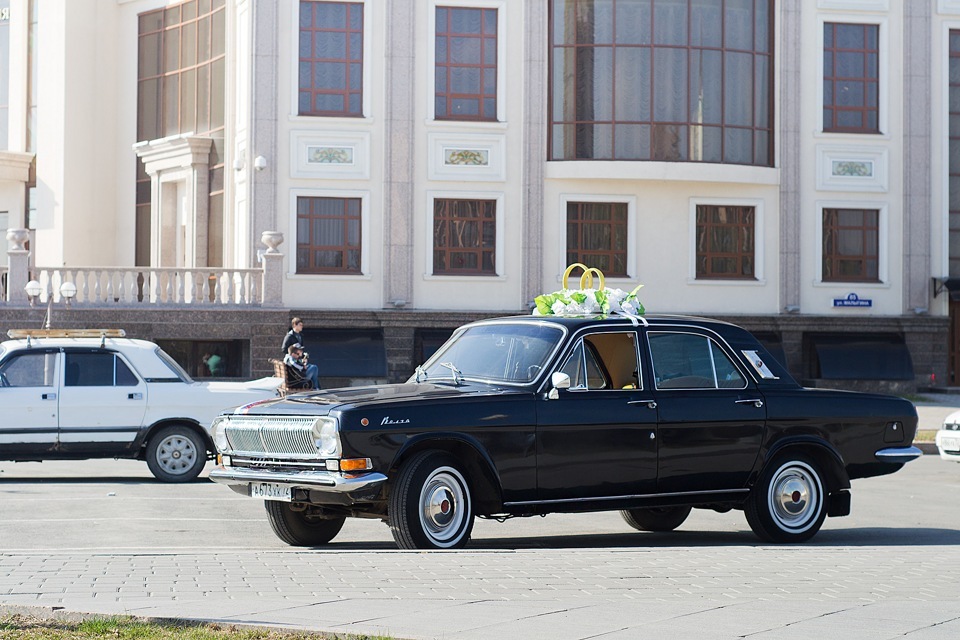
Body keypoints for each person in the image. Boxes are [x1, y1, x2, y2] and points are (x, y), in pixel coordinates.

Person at [281, 318, 320, 389]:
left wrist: (301, 356)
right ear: (294, 325)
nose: (302, 326)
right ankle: (316, 388)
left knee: (312, 367)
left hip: (297, 361)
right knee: (314, 368)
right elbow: (284, 349)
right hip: (295, 366)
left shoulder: (300, 335)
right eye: (300, 325)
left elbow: (301, 348)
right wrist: (294, 354)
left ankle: (316, 387)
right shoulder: (289, 336)